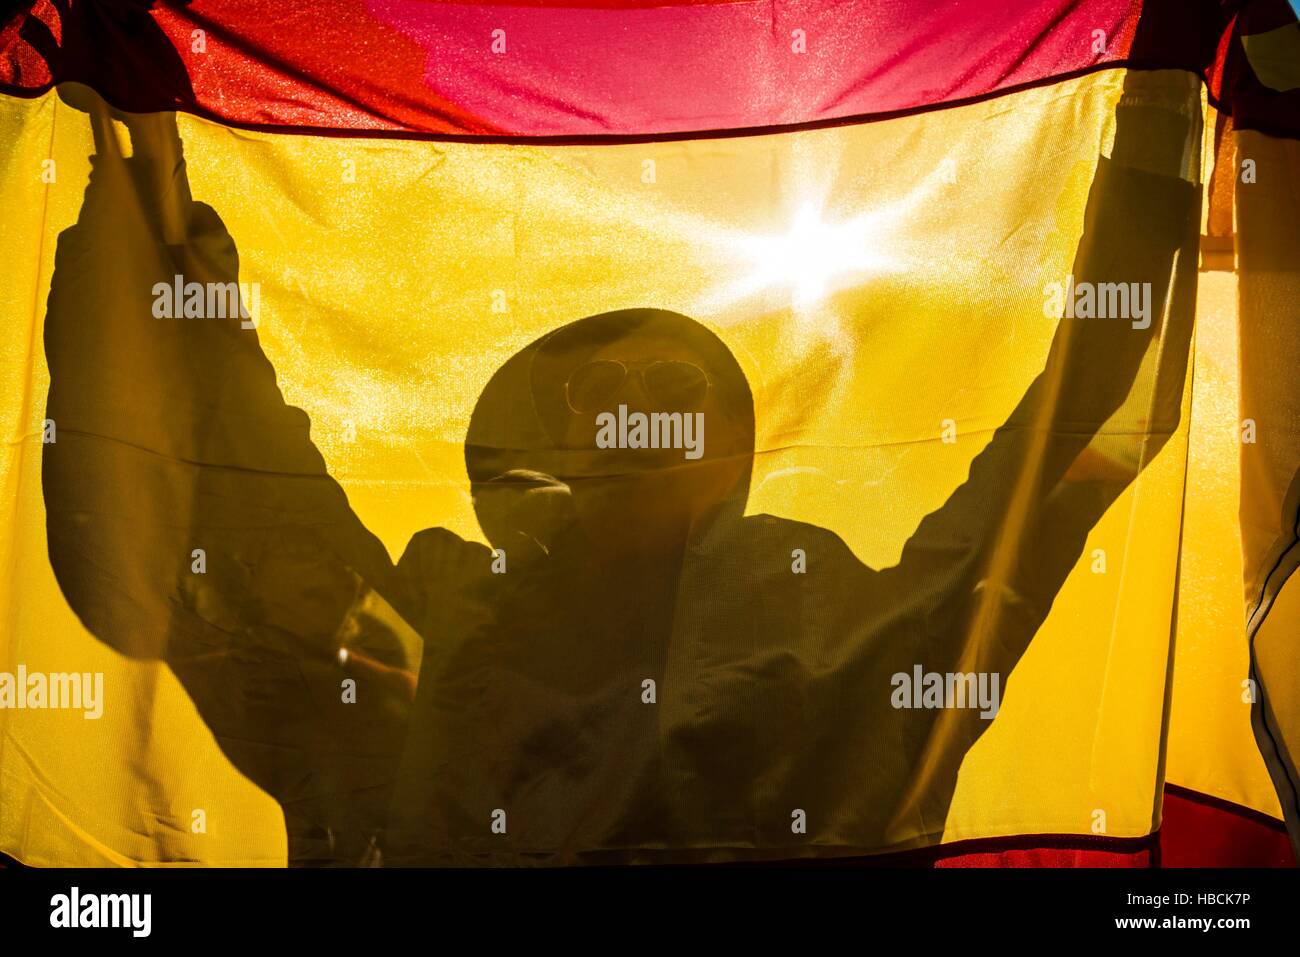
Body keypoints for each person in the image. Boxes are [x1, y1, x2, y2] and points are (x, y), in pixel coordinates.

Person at [41, 9, 1202, 864]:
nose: (622, 416)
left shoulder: (845, 615)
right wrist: (154, 220)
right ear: (517, 470)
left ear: (730, 452)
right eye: (581, 403)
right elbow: (246, 495)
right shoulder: (429, 617)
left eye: (659, 386)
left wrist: (1153, 112)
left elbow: (1075, 424)